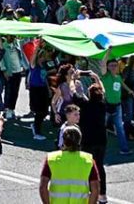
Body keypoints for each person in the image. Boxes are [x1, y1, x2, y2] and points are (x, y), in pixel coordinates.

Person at [39, 126, 100, 204]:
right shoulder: (88, 160)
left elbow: (42, 187)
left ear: (63, 141)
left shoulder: (51, 159)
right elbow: (95, 189)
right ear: (79, 140)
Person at [74, 75, 108, 204]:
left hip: (88, 140)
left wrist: (73, 81)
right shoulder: (102, 105)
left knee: (87, 167)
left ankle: (89, 192)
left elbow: (75, 93)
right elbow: (103, 92)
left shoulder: (84, 105)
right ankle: (103, 194)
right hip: (101, 140)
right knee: (100, 166)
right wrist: (96, 78)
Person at [0, 34, 29, 120]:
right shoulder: (3, 46)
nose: (12, 38)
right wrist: (4, 70)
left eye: (13, 36)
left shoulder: (17, 44)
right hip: (9, 71)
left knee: (15, 91)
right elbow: (1, 59)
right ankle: (7, 109)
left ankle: (12, 109)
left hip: (18, 71)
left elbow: (26, 40)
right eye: (10, 36)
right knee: (8, 90)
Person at [28, 49, 52, 141]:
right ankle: (37, 132)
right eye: (41, 56)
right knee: (39, 111)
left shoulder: (44, 66)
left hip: (43, 89)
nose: (43, 58)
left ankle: (35, 125)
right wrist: (38, 46)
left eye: (44, 56)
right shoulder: (34, 65)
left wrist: (48, 89)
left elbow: (44, 77)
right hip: (35, 90)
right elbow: (33, 55)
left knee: (45, 111)